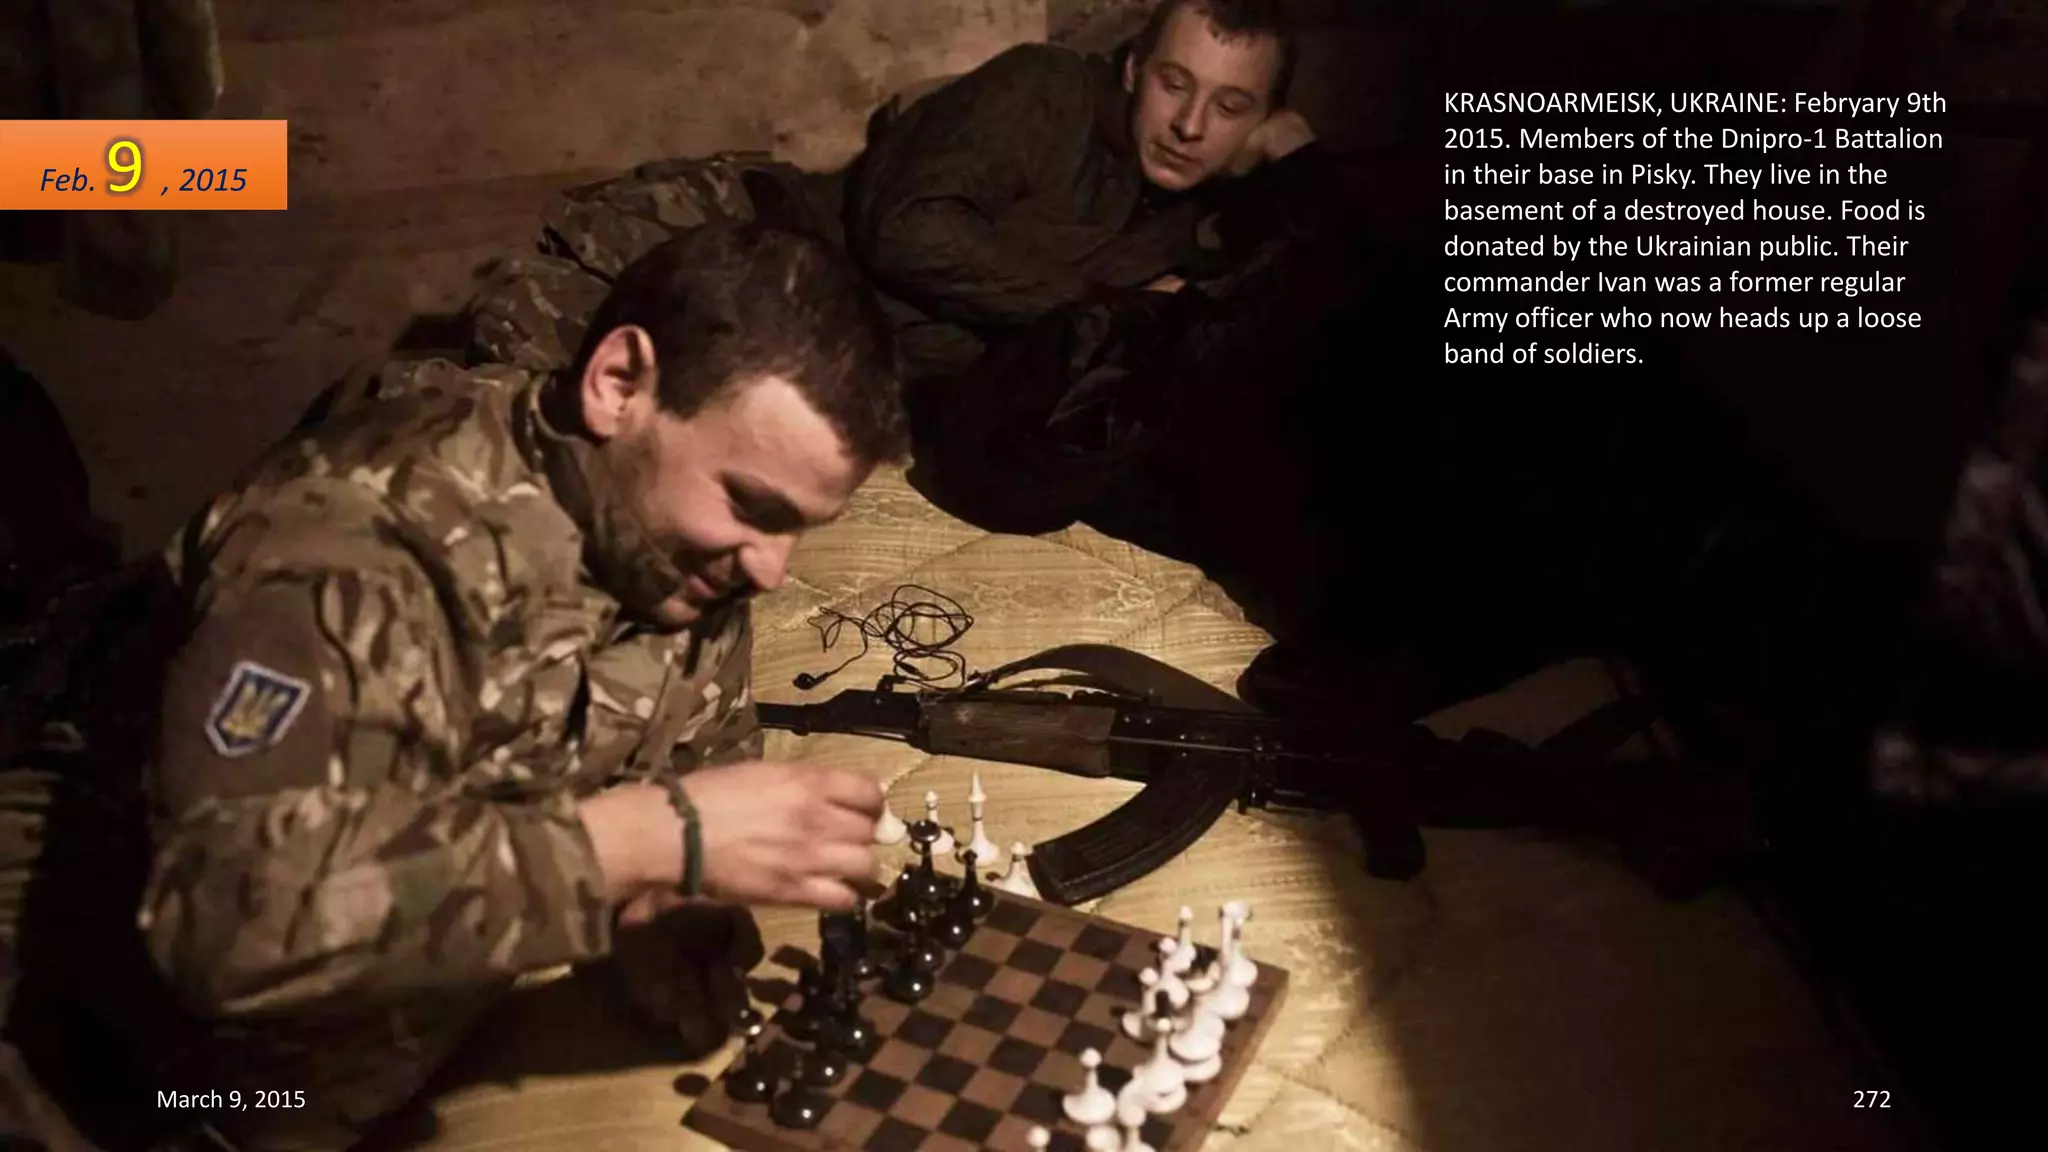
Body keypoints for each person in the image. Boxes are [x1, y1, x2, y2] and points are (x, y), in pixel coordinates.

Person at [0, 221, 908, 1150]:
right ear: (619, 384)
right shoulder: (349, 546)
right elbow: (226, 924)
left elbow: (690, 758)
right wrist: (636, 844)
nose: (773, 570)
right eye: (753, 507)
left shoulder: (680, 551)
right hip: (150, 1096)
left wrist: (663, 906)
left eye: (802, 527)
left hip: (385, 1067)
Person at [841, 0, 1323, 386]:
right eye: (1174, 84)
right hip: (797, 281)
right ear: (1135, 70)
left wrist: (1298, 160)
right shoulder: (1049, 87)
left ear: (1263, 118)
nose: (1189, 125)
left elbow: (1337, 320)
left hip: (900, 391)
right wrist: (1107, 307)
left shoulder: (1218, 202)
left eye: (1230, 107)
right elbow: (906, 228)